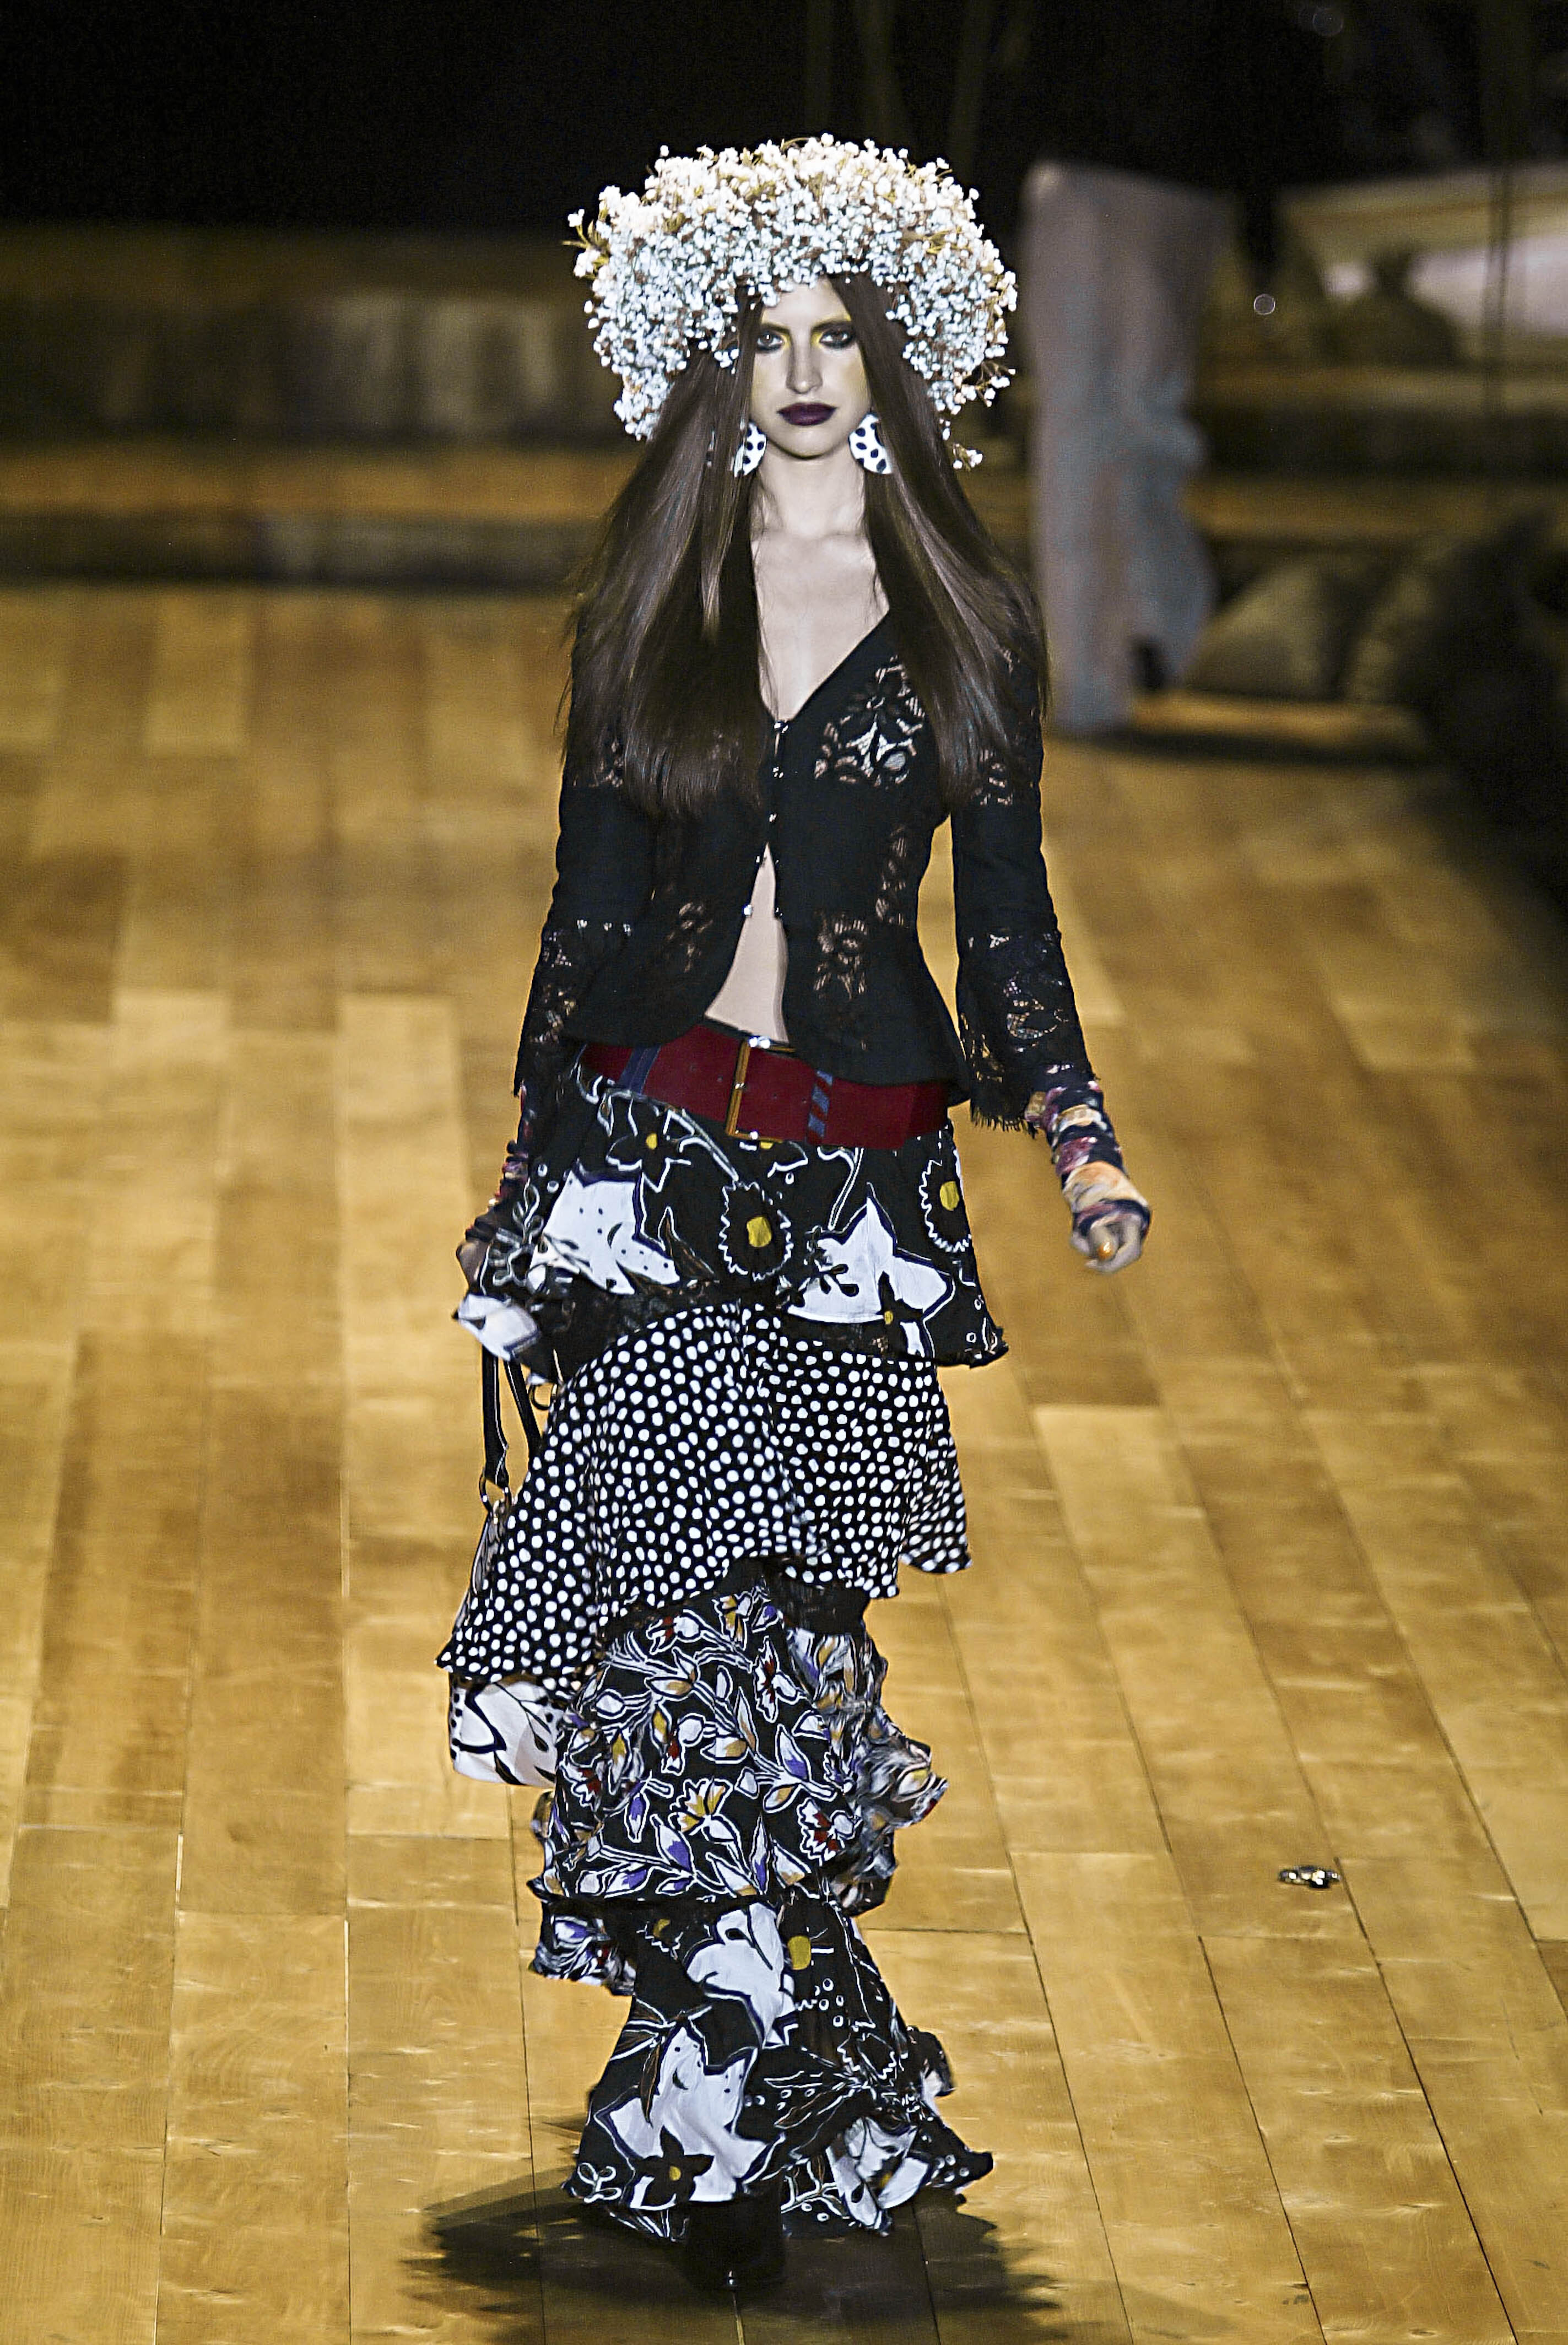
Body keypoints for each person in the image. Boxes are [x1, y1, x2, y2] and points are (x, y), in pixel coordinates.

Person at [439, 136, 1149, 2300]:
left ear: (896, 365)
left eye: (842, 336)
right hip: (656, 1160)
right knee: (676, 1642)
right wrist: (529, 1192)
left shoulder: (963, 624)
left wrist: (1080, 1130)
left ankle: (728, 2117)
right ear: (716, 366)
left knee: (783, 1653)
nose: (808, 370)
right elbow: (585, 913)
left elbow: (1006, 924)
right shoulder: (654, 605)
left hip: (852, 1192)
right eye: (769, 337)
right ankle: (764, 2113)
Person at [1011, 0, 1343, 734]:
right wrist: (1259, 215)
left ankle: (1101, 670)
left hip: (1109, 162)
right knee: (1140, 419)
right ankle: (1151, 639)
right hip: (1183, 169)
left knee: (1087, 428)